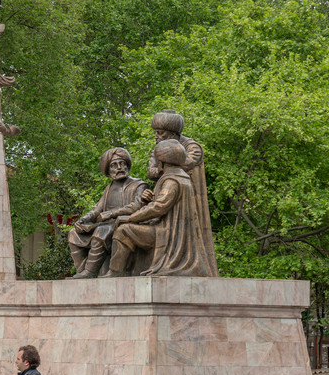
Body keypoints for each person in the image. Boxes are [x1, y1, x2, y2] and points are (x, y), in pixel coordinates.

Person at [109, 139, 213, 277]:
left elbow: (158, 208)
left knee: (124, 231)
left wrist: (130, 218)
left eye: (157, 160)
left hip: (167, 234)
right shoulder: (182, 177)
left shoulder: (172, 181)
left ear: (163, 162)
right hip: (170, 230)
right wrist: (150, 198)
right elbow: (161, 203)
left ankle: (116, 273)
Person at [147, 110, 218, 276]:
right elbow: (151, 171)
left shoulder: (192, 147)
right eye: (155, 132)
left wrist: (164, 163)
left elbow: (184, 163)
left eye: (160, 132)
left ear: (172, 134)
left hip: (187, 200)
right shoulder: (158, 149)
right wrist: (160, 167)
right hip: (167, 196)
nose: (156, 136)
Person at [68, 148, 151, 279]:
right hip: (107, 225)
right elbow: (97, 209)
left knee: (101, 232)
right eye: (114, 165)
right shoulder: (109, 187)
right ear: (108, 170)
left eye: (122, 163)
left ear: (127, 165)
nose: (119, 167)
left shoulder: (139, 185)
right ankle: (82, 270)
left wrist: (111, 213)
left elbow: (137, 205)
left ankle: (90, 271)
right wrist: (83, 220)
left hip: (125, 223)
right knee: (73, 234)